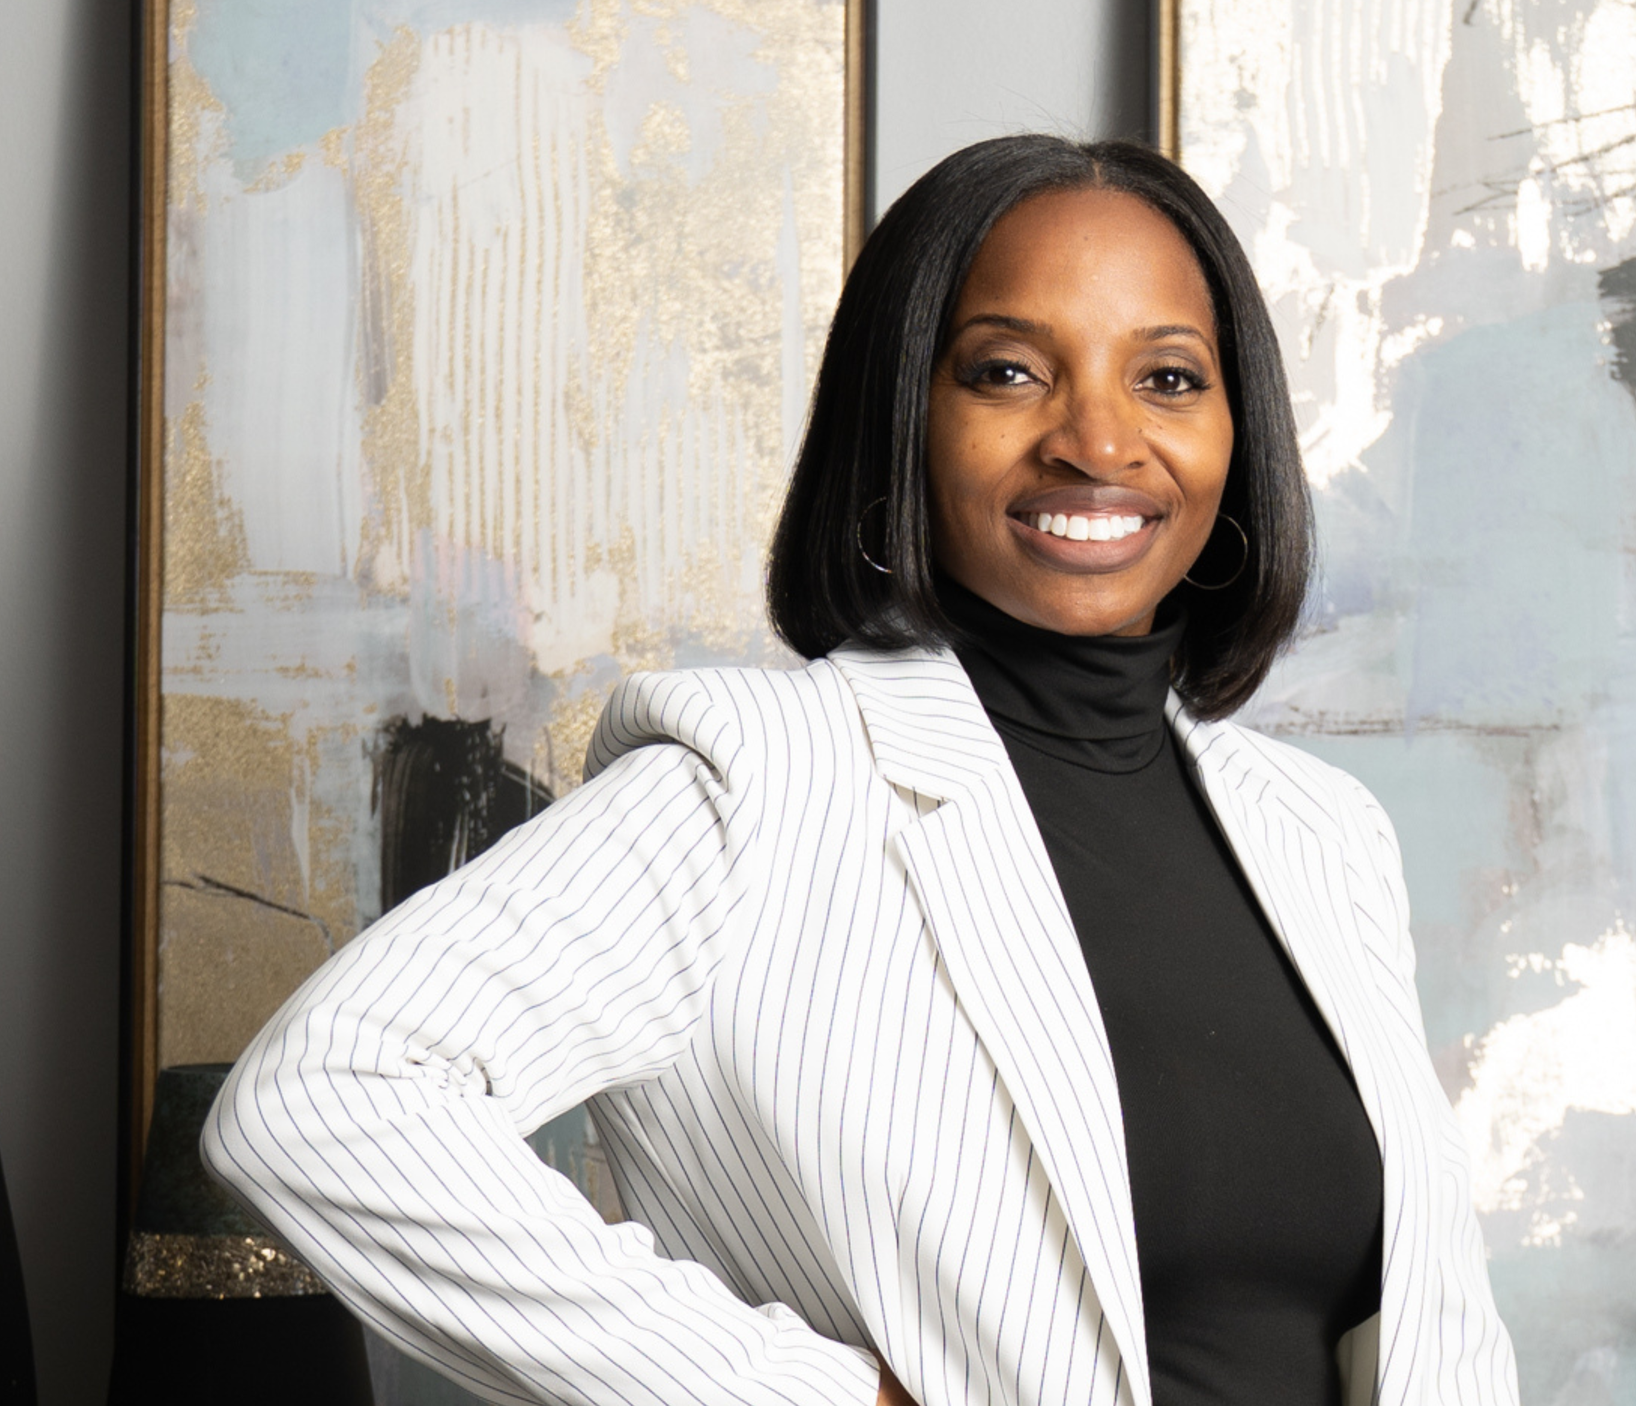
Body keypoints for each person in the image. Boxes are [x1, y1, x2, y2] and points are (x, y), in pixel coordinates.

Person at [205, 134, 1517, 1406]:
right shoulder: (758, 783)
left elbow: (1426, 1335)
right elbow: (327, 1098)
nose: (1097, 441)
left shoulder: (1322, 832)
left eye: (1168, 378)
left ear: (1240, 434)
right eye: (1010, 373)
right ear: (905, 412)